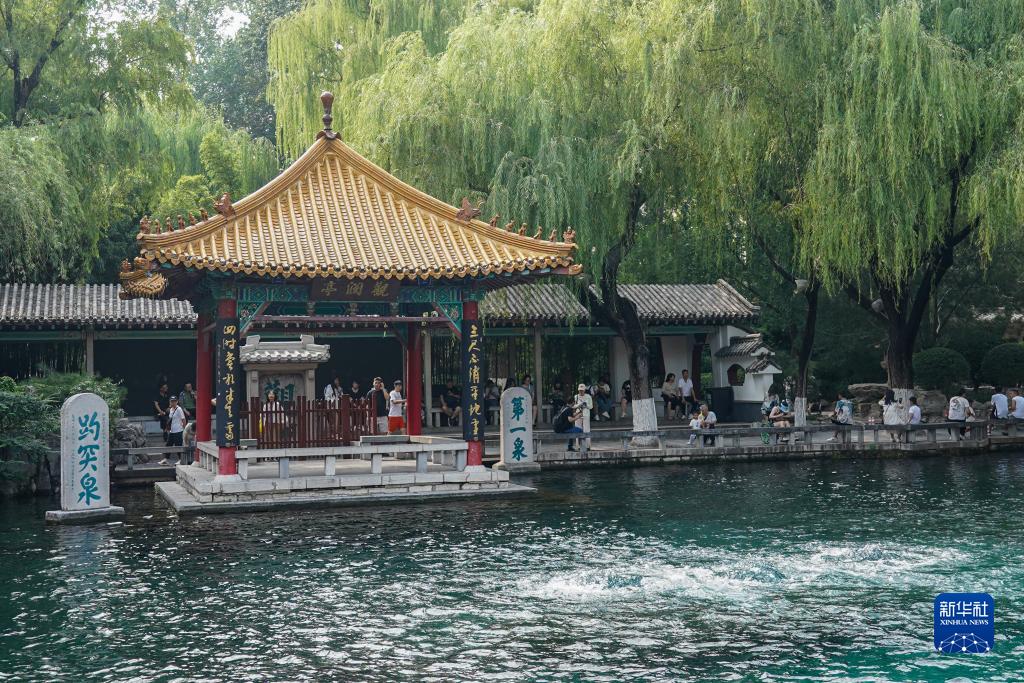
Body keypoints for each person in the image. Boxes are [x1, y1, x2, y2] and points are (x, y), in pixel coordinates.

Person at [159, 396, 188, 464]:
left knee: (178, 445)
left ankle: (181, 459)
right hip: (172, 431)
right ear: (170, 402)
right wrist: (167, 428)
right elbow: (170, 420)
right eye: (172, 401)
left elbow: (183, 419)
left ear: (177, 402)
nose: (173, 402)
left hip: (178, 430)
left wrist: (184, 429)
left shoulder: (179, 409)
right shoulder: (171, 410)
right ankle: (166, 459)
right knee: (168, 445)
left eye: (174, 401)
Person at [573, 383, 593, 450]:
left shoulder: (588, 396)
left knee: (586, 430)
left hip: (586, 414)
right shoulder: (576, 396)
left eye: (582, 390)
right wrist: (579, 405)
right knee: (577, 429)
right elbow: (574, 406)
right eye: (580, 390)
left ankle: (587, 446)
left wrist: (586, 405)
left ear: (584, 390)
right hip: (578, 414)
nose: (581, 391)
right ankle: (578, 446)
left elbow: (591, 406)